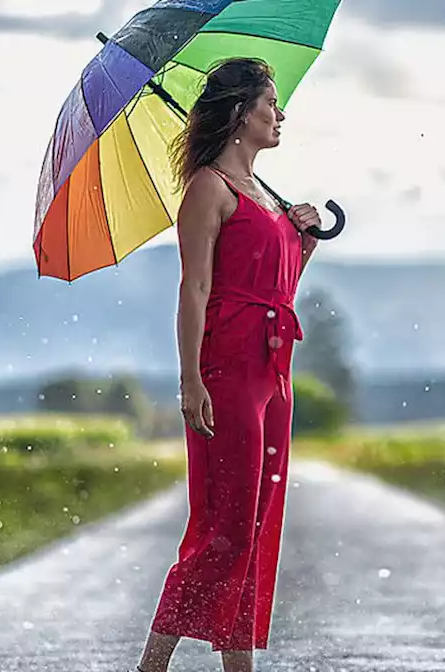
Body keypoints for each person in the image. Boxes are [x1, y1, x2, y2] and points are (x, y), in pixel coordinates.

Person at [134, 57, 323, 672]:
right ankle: (153, 662)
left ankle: (238, 666)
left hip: (275, 372)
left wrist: (306, 242)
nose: (281, 114)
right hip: (227, 369)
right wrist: (190, 379)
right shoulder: (208, 188)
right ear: (241, 112)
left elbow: (279, 287)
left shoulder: (267, 197)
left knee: (259, 521)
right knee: (227, 521)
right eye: (270, 103)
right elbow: (194, 290)